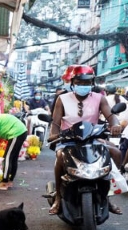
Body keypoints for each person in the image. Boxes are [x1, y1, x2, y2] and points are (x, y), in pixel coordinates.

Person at [48, 65, 122, 215]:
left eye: (87, 83)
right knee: (60, 158)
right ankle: (58, 196)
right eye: (80, 82)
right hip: (68, 139)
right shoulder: (62, 99)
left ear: (92, 83)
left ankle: (107, 196)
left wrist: (115, 125)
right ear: (73, 82)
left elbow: (110, 116)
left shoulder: (99, 98)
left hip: (93, 138)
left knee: (116, 153)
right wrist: (53, 135)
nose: (83, 85)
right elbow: (55, 123)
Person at [0, 111, 28, 190]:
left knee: (7, 157)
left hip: (16, 133)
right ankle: (10, 181)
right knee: (13, 158)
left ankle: (4, 182)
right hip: (21, 131)